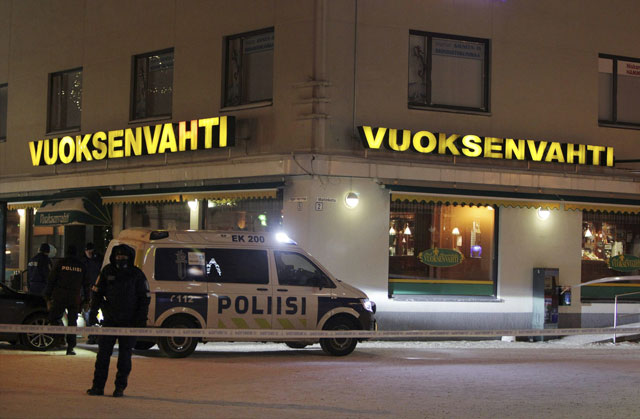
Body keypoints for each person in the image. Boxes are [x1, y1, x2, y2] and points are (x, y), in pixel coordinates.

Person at [86, 244, 150, 398]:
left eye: (123, 256)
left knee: (125, 357)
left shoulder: (136, 274)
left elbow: (144, 298)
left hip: (129, 323)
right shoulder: (107, 271)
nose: (120, 258)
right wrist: (93, 312)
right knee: (102, 356)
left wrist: (140, 320)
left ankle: (120, 388)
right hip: (110, 321)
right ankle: (97, 387)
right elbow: (97, 293)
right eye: (118, 256)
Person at [44, 245, 90, 355]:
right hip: (74, 297)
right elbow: (86, 284)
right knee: (72, 323)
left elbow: (51, 280)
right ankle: (70, 347)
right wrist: (87, 299)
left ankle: (59, 338)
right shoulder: (81, 265)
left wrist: (47, 296)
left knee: (53, 318)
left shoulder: (60, 263)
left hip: (59, 296)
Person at [80, 242, 103, 344]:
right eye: (87, 251)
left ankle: (94, 335)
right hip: (87, 291)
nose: (89, 252)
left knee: (92, 313)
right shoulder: (83, 261)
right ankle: (93, 335)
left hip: (96, 290)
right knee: (88, 314)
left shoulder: (97, 261)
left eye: (90, 251)